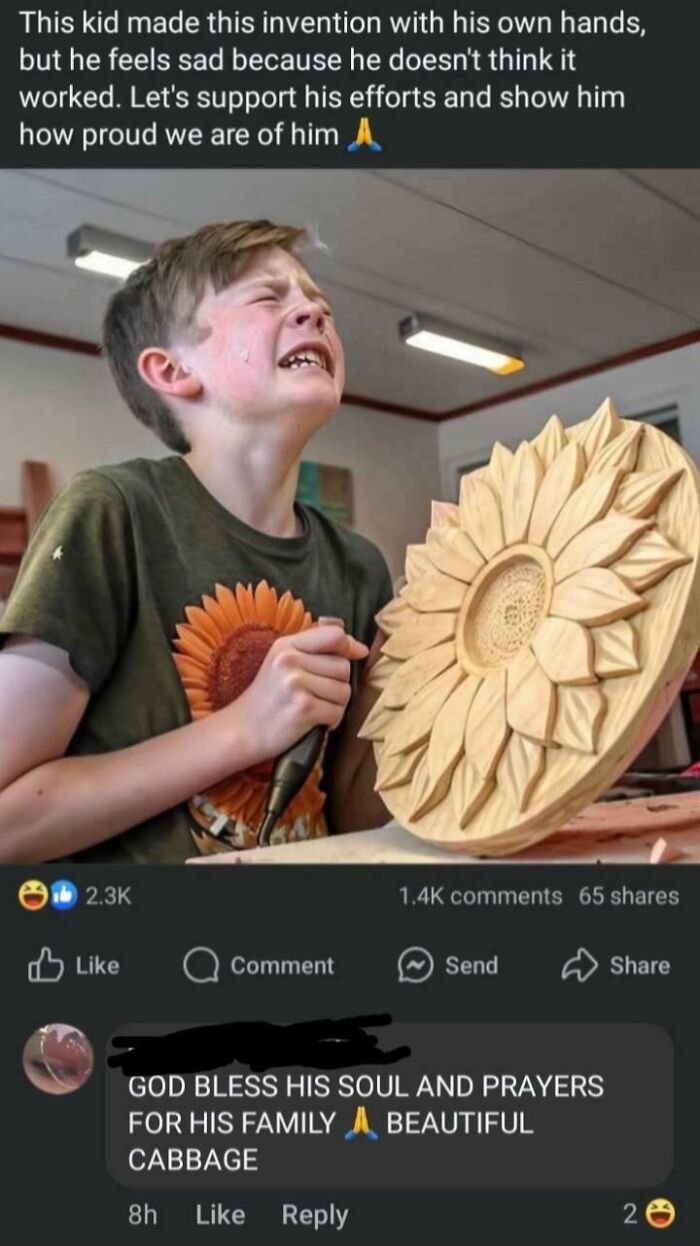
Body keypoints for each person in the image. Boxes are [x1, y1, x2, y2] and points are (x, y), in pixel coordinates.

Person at [0, 220, 393, 863]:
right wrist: (244, 729)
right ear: (172, 369)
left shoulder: (360, 566)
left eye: (319, 302)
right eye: (269, 297)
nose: (314, 311)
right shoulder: (110, 513)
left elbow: (352, 813)